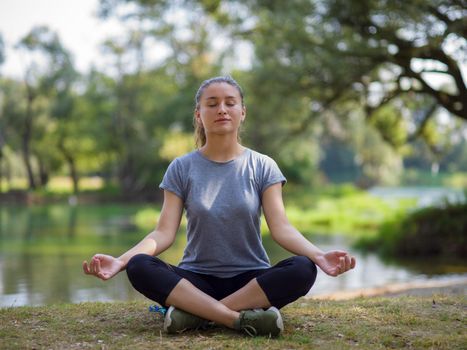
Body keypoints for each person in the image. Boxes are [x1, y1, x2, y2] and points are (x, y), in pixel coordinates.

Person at [83, 76, 356, 337]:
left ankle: (195, 315)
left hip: (251, 283)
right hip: (195, 281)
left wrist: (319, 256)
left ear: (243, 112)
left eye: (230, 102)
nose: (221, 109)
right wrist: (121, 261)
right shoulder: (181, 167)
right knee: (140, 266)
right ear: (199, 114)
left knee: (303, 268)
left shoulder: (263, 166)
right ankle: (235, 318)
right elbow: (162, 234)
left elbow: (281, 228)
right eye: (212, 104)